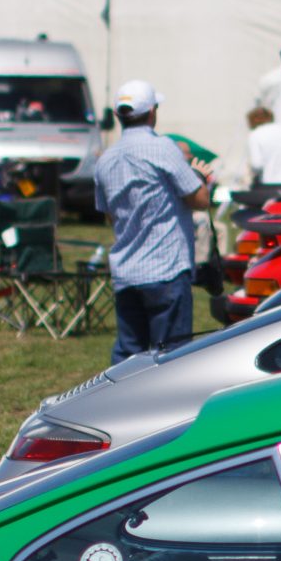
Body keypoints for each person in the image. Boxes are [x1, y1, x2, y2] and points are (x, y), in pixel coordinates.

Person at [95, 81, 215, 363]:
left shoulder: (105, 159)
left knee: (128, 357)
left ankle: (119, 405)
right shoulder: (164, 148)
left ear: (117, 115)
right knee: (171, 357)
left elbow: (109, 213)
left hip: (127, 269)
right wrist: (200, 178)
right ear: (152, 112)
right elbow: (198, 199)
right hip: (166, 267)